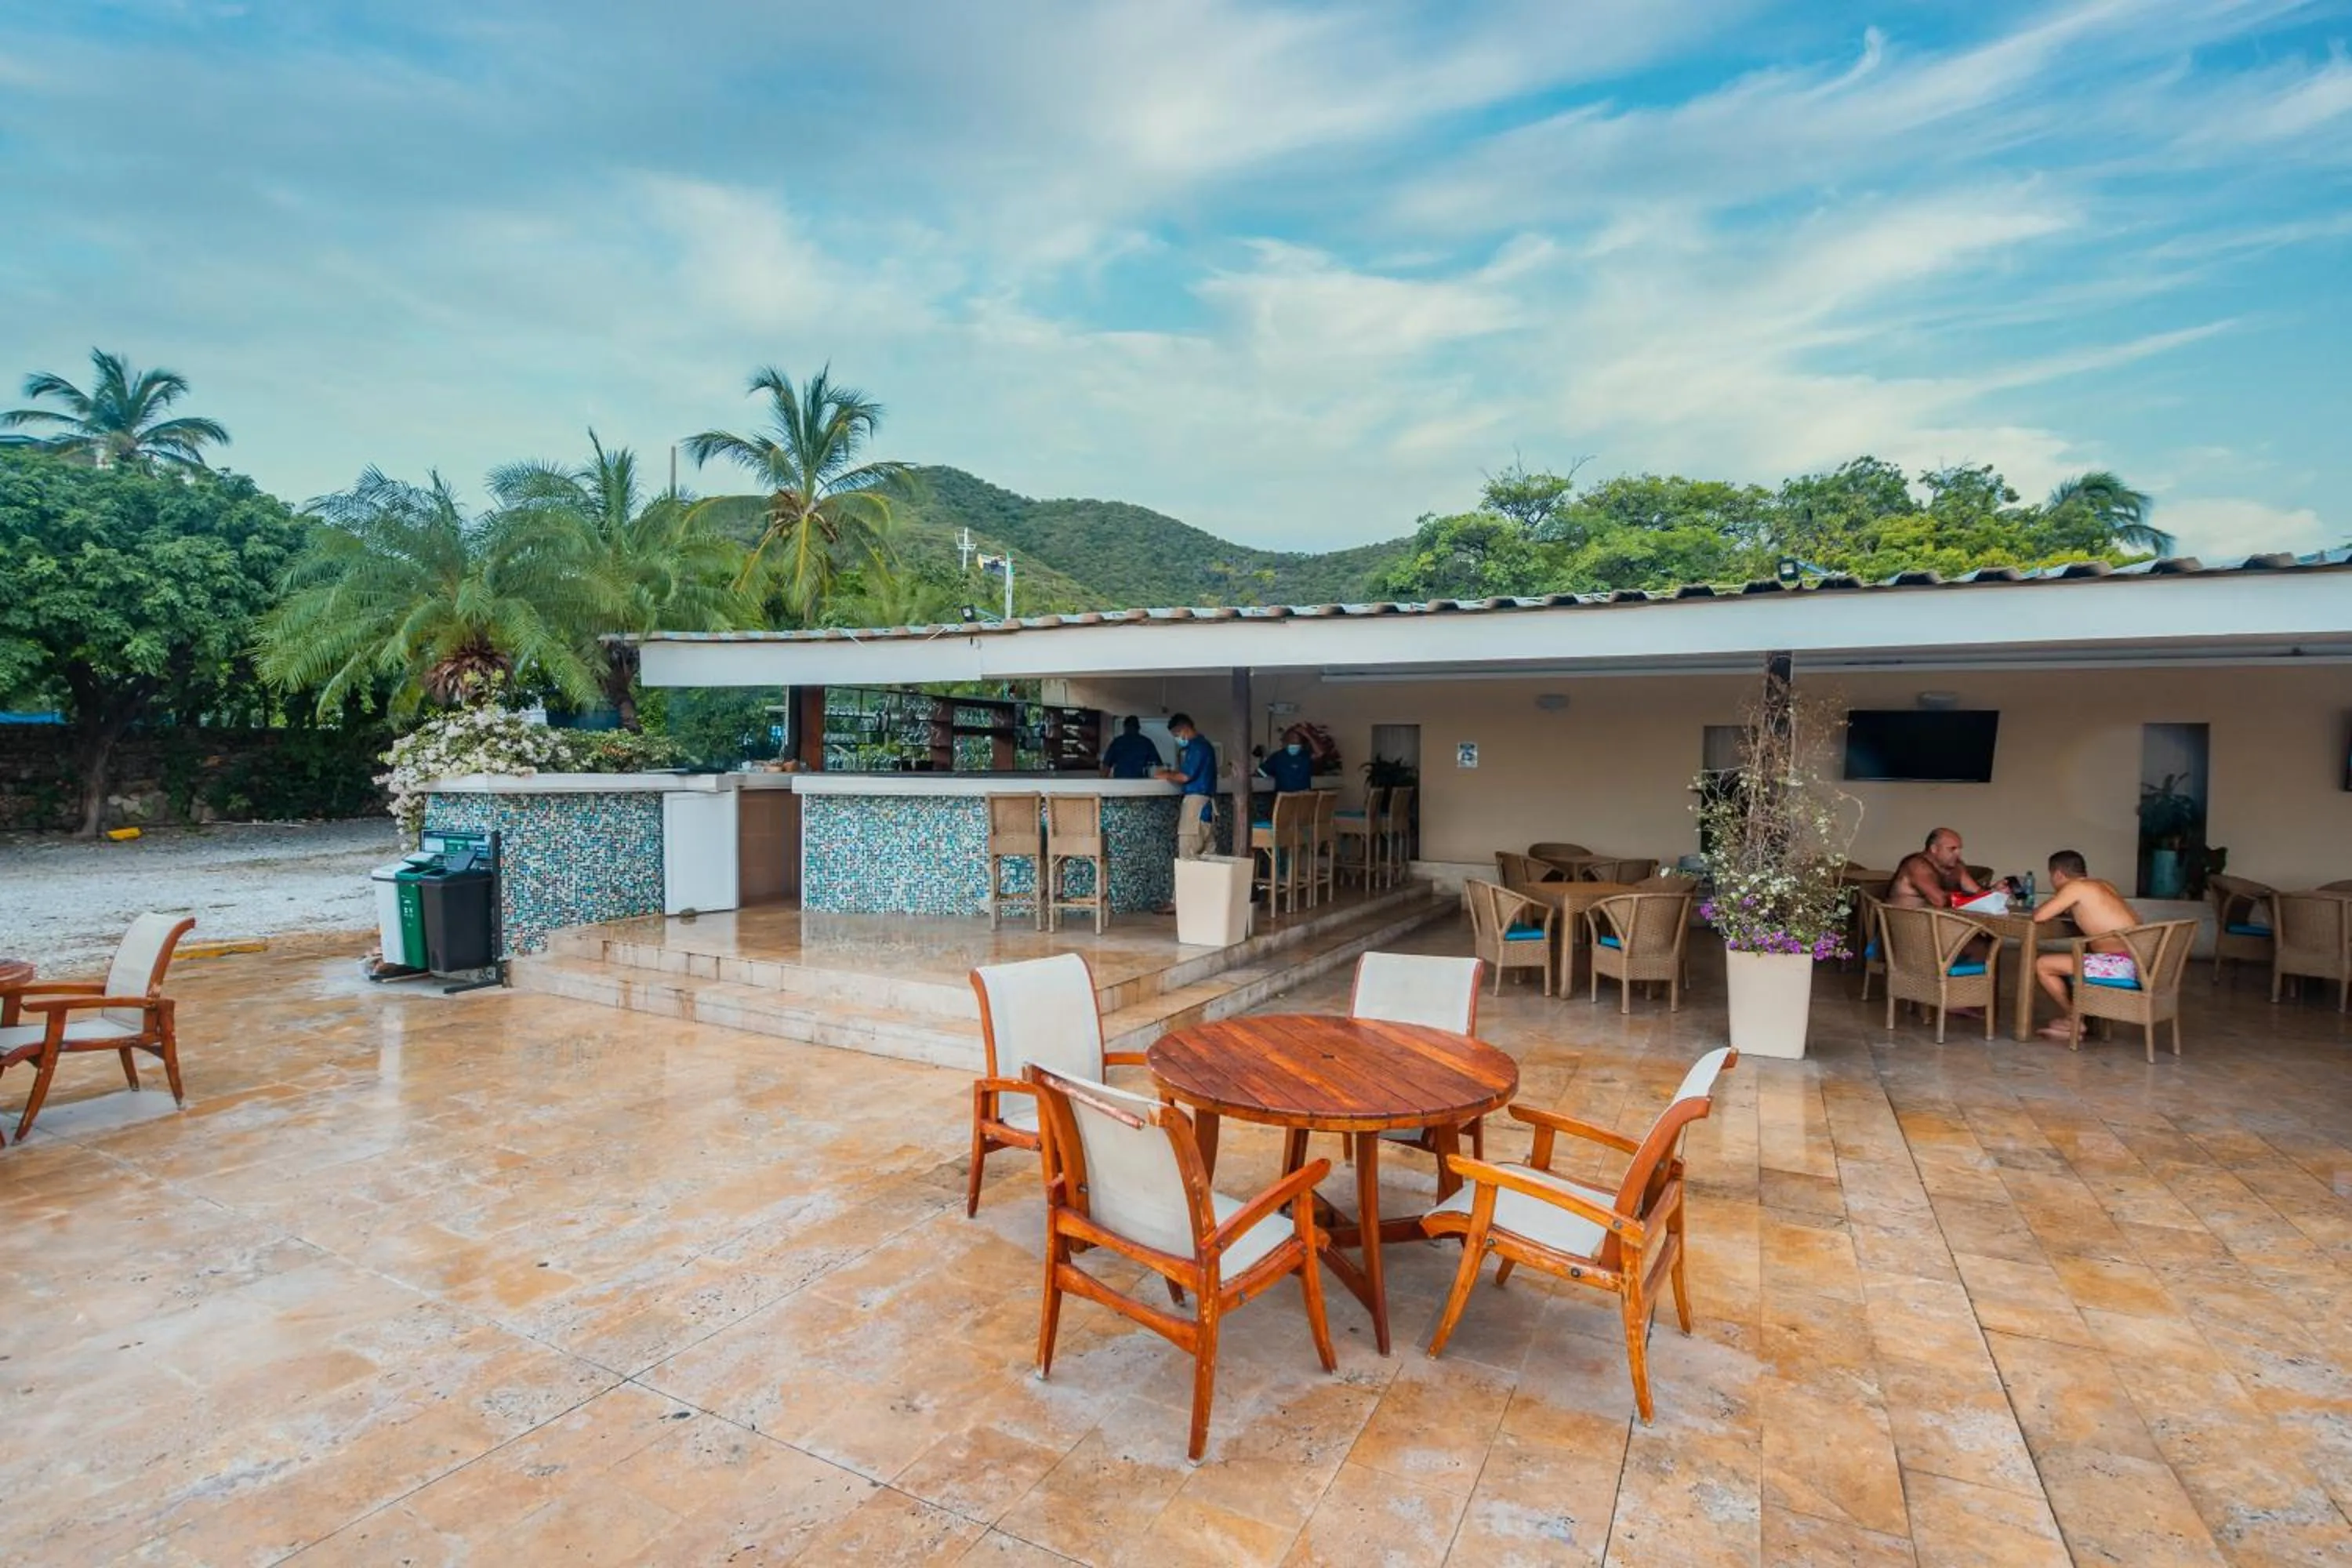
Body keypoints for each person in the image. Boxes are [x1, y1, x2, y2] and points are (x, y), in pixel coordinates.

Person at [2031, 850, 2143, 1042]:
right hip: (2137, 961)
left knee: (2043, 964)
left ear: (2058, 874)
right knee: (2067, 961)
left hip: (2119, 965)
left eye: (2052, 877)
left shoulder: (2075, 888)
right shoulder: (2103, 885)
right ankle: (2079, 1016)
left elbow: (2039, 916)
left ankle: (2074, 1019)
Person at [1154, 712, 1218, 865]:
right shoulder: (1206, 745)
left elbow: (1185, 777)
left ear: (1184, 729)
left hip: (1195, 806)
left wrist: (1166, 774)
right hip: (1208, 807)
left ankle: (1188, 889)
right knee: (1209, 857)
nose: (1177, 739)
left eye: (1176, 734)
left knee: (1188, 857)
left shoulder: (1196, 747)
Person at [1254, 725, 1316, 795]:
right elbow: (1261, 772)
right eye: (1291, 739)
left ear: (1301, 741)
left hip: (1303, 797)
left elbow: (1320, 753)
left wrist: (1308, 735)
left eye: (1296, 739)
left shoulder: (1305, 755)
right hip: (1285, 797)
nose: (1293, 741)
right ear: (1285, 741)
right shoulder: (1278, 757)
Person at [1098, 715, 1163, 780]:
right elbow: (1159, 766)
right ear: (1138, 728)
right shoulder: (1146, 742)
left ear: (1124, 727)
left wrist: (1102, 784)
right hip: (1141, 782)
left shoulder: (1117, 742)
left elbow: (1106, 768)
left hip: (1120, 782)